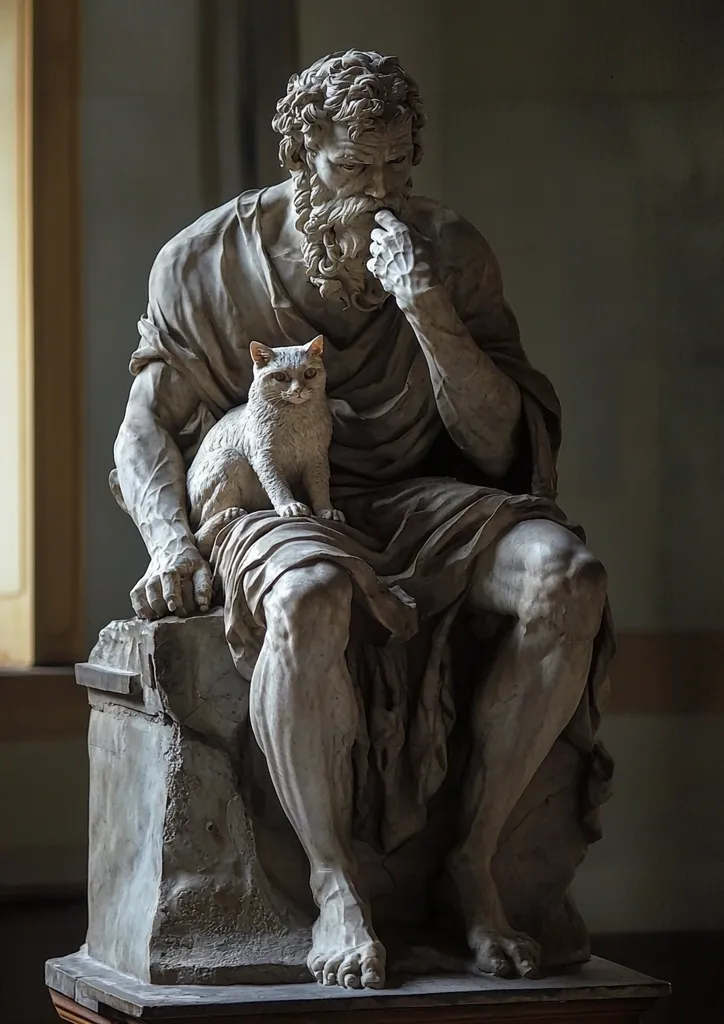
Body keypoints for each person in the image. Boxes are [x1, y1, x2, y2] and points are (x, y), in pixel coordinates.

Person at [113, 50, 614, 990]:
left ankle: (476, 858)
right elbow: (145, 429)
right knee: (307, 598)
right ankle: (335, 879)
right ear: (303, 157)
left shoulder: (449, 251)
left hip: (425, 498)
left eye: (396, 168)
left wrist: (429, 311)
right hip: (279, 502)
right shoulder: (206, 263)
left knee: (567, 579)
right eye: (353, 170)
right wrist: (172, 542)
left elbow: (502, 441)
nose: (378, 196)